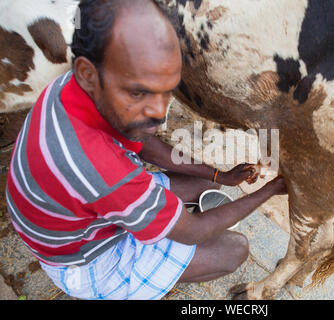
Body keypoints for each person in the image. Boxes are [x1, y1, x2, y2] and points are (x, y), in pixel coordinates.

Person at [6, 0, 286, 300]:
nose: (157, 117)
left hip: (69, 221)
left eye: (165, 91)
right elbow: (192, 231)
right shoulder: (105, 169)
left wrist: (220, 175)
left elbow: (148, 147)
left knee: (207, 185)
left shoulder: (74, 84)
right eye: (138, 92)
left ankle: (153, 238)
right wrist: (269, 190)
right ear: (89, 73)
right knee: (234, 249)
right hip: (84, 263)